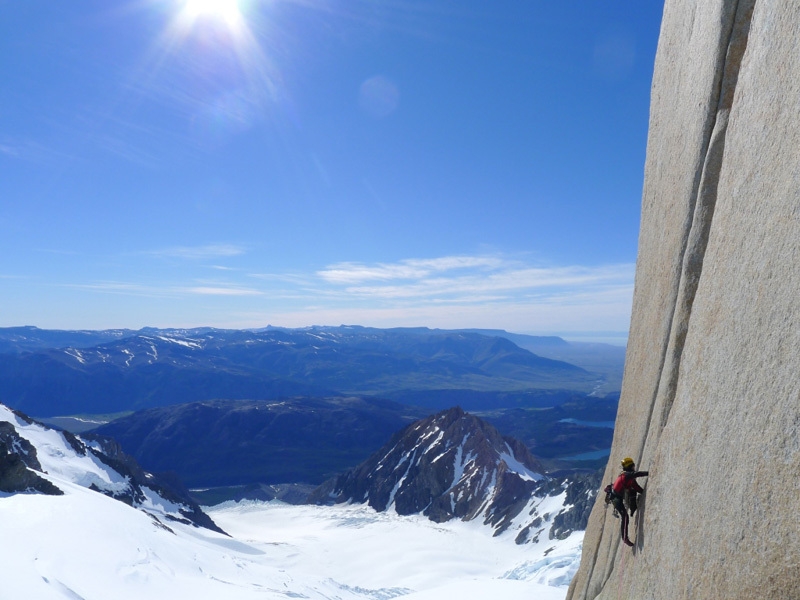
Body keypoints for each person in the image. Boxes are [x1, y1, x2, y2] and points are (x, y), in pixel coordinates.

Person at [608, 457, 649, 547]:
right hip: (615, 498)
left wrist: (644, 493)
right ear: (630, 466)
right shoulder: (627, 475)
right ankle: (625, 538)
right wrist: (649, 473)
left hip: (618, 495)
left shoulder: (627, 476)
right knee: (624, 516)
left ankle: (633, 508)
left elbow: (636, 487)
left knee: (632, 491)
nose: (634, 466)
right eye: (633, 465)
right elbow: (638, 474)